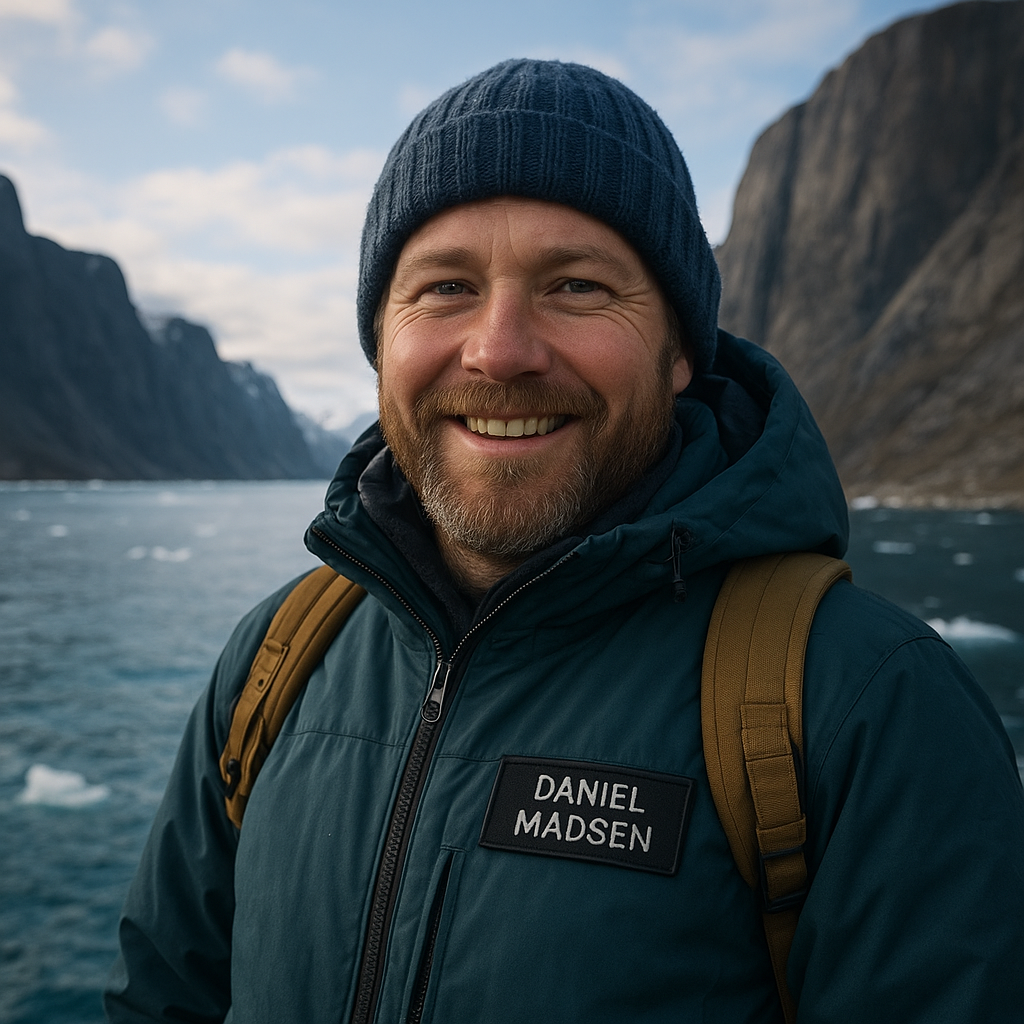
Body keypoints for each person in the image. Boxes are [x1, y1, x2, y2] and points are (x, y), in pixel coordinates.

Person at [105, 59, 1024, 1024]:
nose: (501, 349)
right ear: (383, 338)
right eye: (445, 286)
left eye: (579, 286)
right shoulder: (275, 661)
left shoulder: (864, 704)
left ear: (680, 351)